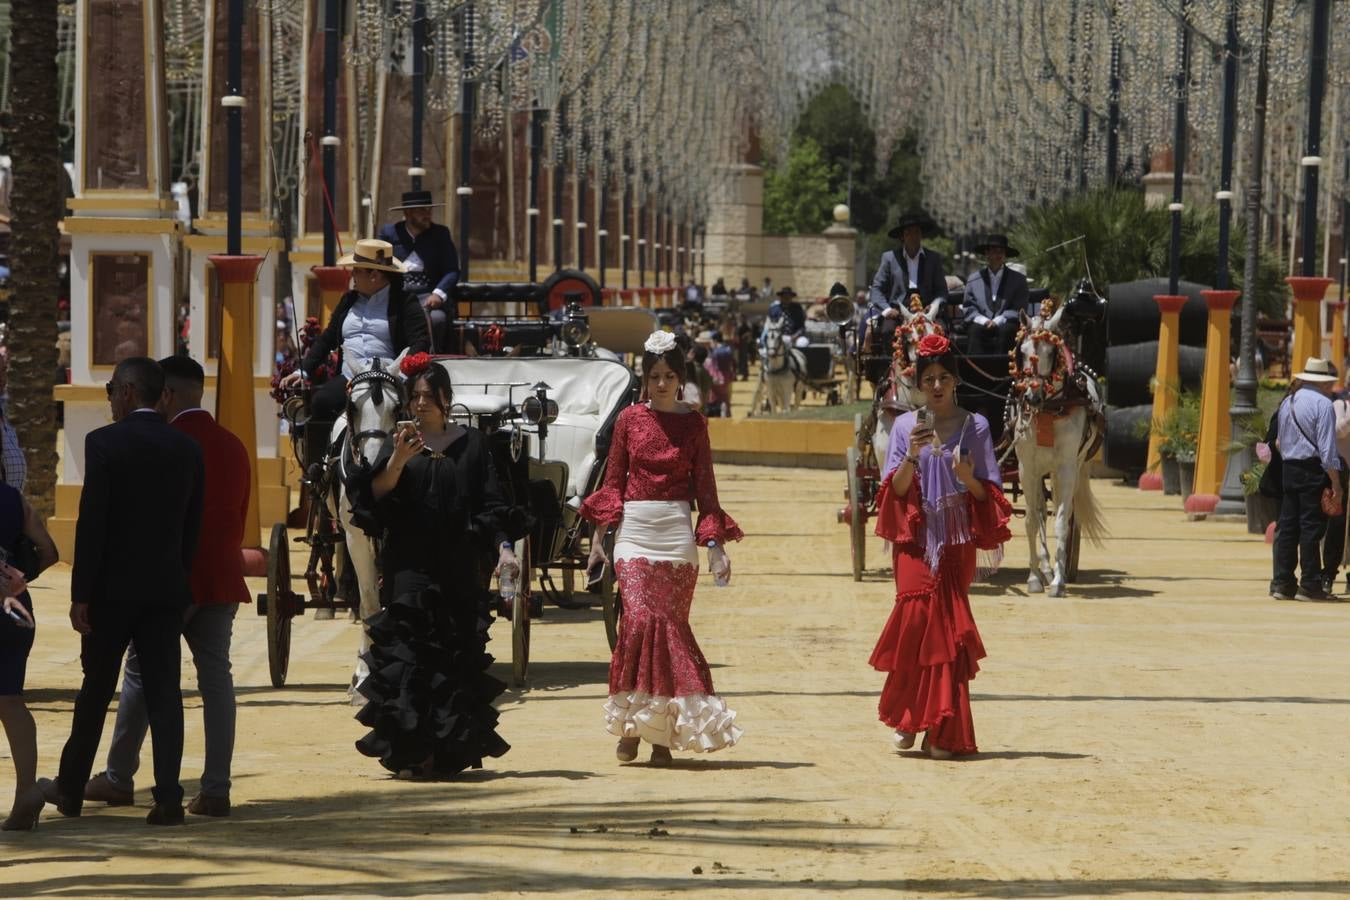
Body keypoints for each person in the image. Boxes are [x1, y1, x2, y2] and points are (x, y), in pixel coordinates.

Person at [82, 356, 250, 818]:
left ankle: (119, 776)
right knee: (217, 679)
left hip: (167, 580)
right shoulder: (235, 445)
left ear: (167, 395)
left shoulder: (169, 442)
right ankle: (216, 788)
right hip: (219, 575)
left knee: (140, 674)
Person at [39, 357, 204, 825]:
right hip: (164, 591)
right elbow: (192, 527)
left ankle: (71, 789)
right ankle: (169, 796)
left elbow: (94, 524)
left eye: (112, 389)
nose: (109, 398)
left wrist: (81, 594)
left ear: (129, 392)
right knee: (164, 696)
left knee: (95, 691)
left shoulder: (104, 443)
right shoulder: (187, 448)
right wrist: (180, 579)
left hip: (111, 592)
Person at [351, 356, 522, 778]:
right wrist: (397, 462)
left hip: (459, 568)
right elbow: (374, 496)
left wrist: (504, 548)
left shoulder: (473, 446)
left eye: (430, 395)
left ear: (447, 400)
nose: (422, 403)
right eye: (416, 396)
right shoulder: (398, 444)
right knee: (409, 656)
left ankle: (447, 752)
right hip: (409, 567)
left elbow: (491, 504)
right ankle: (415, 750)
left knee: (453, 658)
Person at [581, 331, 744, 766]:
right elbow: (613, 483)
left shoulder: (694, 425)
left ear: (681, 379)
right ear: (645, 378)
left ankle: (659, 739)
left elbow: (706, 492)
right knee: (636, 621)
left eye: (669, 375)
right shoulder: (629, 421)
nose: (661, 384)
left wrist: (715, 547)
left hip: (675, 535)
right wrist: (599, 542)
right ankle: (633, 729)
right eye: (654, 376)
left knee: (667, 628)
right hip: (634, 532)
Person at [869, 333, 1011, 758]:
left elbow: (990, 497)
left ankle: (940, 730)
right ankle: (910, 717)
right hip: (915, 541)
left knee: (945, 633)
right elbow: (894, 489)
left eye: (944, 378)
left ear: (955, 381)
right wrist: (911, 455)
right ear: (918, 383)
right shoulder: (903, 426)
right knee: (914, 622)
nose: (936, 386)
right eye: (928, 378)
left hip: (956, 542)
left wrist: (967, 478)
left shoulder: (977, 426)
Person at [279, 238, 432, 428]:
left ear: (374, 275)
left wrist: (400, 374)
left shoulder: (405, 303)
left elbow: (420, 342)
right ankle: (321, 458)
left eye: (357, 271)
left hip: (388, 378)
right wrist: (303, 370)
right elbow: (327, 339)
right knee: (321, 403)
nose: (352, 276)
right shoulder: (348, 301)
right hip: (350, 378)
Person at [0, 482, 59, 830]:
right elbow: (49, 551)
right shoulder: (14, 499)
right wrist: (17, 577)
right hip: (16, 608)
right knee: (11, 701)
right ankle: (26, 791)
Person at [1270, 357, 1342, 602]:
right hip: (1313, 469)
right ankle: (1310, 583)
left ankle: (1282, 582)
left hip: (1289, 468)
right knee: (1311, 527)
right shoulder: (1323, 405)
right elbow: (1327, 450)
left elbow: (1279, 442)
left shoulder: (1288, 402)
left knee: (1288, 526)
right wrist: (1336, 482)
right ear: (1324, 382)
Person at [378, 190, 461, 351]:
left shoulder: (441, 234)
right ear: (407, 213)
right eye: (421, 210)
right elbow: (380, 266)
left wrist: (438, 294)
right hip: (397, 295)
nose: (427, 214)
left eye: (429, 209)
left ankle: (432, 363)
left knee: (438, 319)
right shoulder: (389, 233)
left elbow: (452, 270)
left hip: (427, 295)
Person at [867, 210, 948, 319]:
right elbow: (877, 289)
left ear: (921, 235)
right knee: (887, 333)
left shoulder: (933, 258)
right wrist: (887, 310)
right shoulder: (889, 258)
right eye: (908, 233)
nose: (913, 236)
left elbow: (941, 290)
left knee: (940, 334)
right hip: (897, 312)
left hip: (928, 313)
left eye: (917, 232)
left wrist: (934, 306)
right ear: (902, 237)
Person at [962, 235, 1030, 356]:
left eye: (1001, 252)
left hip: (1007, 323)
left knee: (1007, 331)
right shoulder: (974, 279)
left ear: (1005, 255)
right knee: (974, 331)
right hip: (981, 323)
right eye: (994, 251)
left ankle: (1004, 370)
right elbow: (969, 306)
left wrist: (999, 320)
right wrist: (984, 321)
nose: (998, 255)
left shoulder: (1018, 279)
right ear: (987, 253)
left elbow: (1019, 307)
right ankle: (975, 371)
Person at [1326, 386, 1350, 593]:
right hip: (1342, 474)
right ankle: (1329, 574)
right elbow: (1338, 431)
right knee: (1337, 525)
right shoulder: (1339, 405)